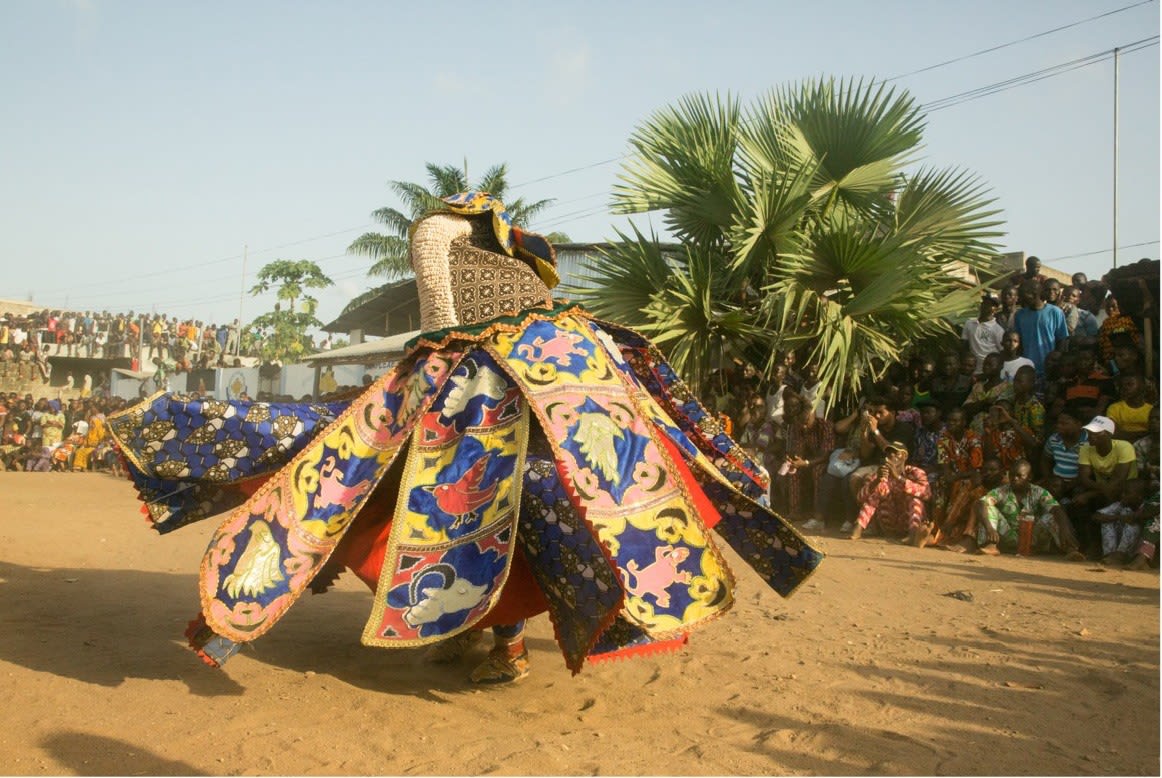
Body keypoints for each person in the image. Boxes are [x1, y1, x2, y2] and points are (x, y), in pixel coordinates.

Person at [105, 191, 823, 684]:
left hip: (515, 458)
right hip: (507, 458)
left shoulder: (517, 331)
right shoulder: (557, 337)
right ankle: (491, 640)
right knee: (465, 512)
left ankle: (499, 642)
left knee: (473, 511)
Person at [974, 459, 1084, 559]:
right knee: (986, 506)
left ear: (1029, 477)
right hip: (1008, 536)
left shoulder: (1039, 492)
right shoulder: (1002, 491)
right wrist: (989, 528)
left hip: (1032, 538)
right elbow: (980, 503)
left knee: (1052, 516)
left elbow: (1056, 509)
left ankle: (1070, 549)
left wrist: (1064, 529)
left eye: (1019, 476)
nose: (1014, 479)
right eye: (1012, 475)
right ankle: (990, 546)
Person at [850, 440, 932, 545]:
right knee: (878, 489)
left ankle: (913, 535)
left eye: (896, 453)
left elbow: (927, 494)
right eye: (889, 453)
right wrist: (876, 481)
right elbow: (860, 498)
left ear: (905, 456)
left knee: (915, 498)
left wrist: (898, 477)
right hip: (888, 521)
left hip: (911, 523)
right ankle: (858, 528)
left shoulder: (916, 472)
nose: (891, 456)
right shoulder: (880, 474)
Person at [1012, 279, 1068, 377]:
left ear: (1033, 294)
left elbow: (1062, 339)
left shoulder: (1055, 312)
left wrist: (1057, 362)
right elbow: (1018, 342)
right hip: (1027, 368)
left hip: (1049, 368)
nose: (1019, 298)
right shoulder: (1019, 315)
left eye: (1022, 295)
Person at [1092, 478, 1148, 565]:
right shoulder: (1121, 504)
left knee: (1132, 526)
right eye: (1122, 492)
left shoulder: (1147, 507)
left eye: (1127, 493)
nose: (1122, 495)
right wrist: (1119, 517)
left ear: (1139, 496)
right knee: (1107, 521)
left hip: (1136, 549)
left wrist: (1133, 518)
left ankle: (1120, 557)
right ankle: (1110, 555)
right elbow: (1096, 516)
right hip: (1117, 546)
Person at [963, 353, 1013, 434]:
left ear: (1001, 366)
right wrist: (984, 403)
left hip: (996, 436)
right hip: (974, 434)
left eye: (990, 364)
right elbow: (966, 408)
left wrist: (978, 406)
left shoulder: (1007, 387)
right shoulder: (978, 386)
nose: (985, 367)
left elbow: (1003, 412)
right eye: (984, 364)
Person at [961, 294, 1005, 373]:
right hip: (971, 370)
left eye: (990, 305)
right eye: (984, 303)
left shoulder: (998, 330)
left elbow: (1002, 352)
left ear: (995, 309)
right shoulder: (969, 323)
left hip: (988, 371)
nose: (986, 306)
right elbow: (964, 345)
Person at [1106, 373, 1153, 442]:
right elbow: (1114, 434)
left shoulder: (1152, 410)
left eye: (1130, 384)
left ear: (1142, 386)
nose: (1125, 388)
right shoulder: (1114, 408)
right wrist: (1144, 433)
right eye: (1122, 386)